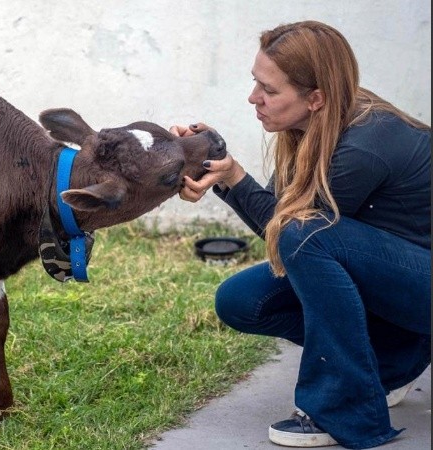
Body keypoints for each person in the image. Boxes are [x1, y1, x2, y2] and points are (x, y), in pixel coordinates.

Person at [170, 20, 431, 449]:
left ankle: (343, 407)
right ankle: (388, 361)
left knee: (307, 235)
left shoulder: (365, 144)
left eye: (269, 90)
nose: (253, 97)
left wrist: (234, 178)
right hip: (397, 281)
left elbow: (293, 232)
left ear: (315, 98)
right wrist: (221, 170)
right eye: (256, 82)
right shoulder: (315, 124)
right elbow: (283, 228)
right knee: (241, 300)